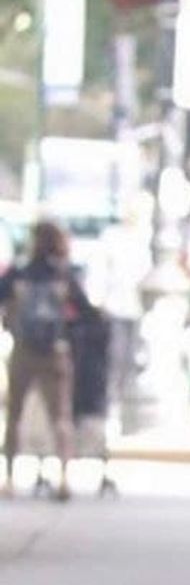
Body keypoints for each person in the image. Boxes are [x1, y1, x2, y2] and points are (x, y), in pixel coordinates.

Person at [0, 219, 91, 500]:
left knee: (14, 414)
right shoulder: (63, 274)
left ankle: (9, 478)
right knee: (60, 416)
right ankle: (63, 477)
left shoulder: (19, 273)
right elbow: (85, 311)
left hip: (24, 349)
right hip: (55, 351)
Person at [84, 202, 152, 421]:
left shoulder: (144, 237)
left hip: (138, 308)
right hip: (115, 308)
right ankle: (111, 406)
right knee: (114, 358)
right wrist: (97, 301)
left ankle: (125, 404)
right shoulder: (111, 237)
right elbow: (99, 270)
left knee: (132, 360)